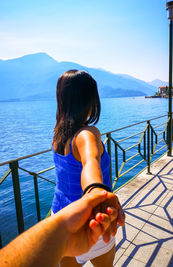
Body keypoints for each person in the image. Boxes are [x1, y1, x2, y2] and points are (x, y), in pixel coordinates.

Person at [51, 69, 125, 266]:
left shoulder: (58, 135)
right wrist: (95, 191)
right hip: (91, 223)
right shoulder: (87, 134)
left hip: (62, 220)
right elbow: (90, 161)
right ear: (88, 101)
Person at [0, 190, 124, 267]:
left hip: (63, 214)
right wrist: (98, 190)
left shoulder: (56, 146)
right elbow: (90, 162)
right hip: (94, 218)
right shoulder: (88, 145)